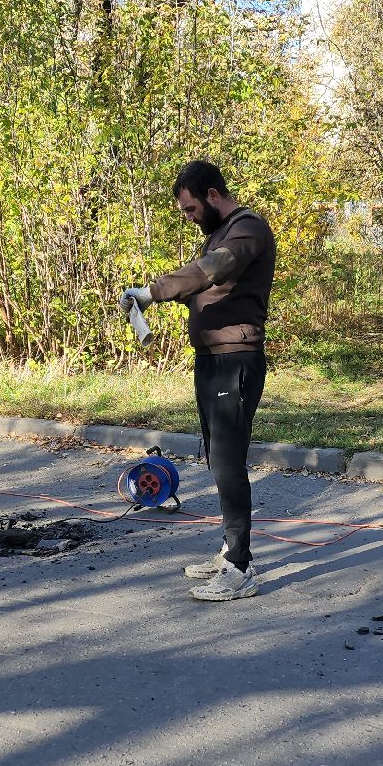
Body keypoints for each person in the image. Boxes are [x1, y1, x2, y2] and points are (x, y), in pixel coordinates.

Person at [121, 160, 277, 602]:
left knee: (228, 462)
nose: (189, 218)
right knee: (216, 457)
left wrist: (151, 291)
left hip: (235, 360)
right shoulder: (220, 233)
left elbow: (209, 271)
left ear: (212, 195)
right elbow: (202, 284)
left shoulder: (247, 229)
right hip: (210, 359)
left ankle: (240, 567)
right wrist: (143, 306)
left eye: (190, 209)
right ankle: (231, 547)